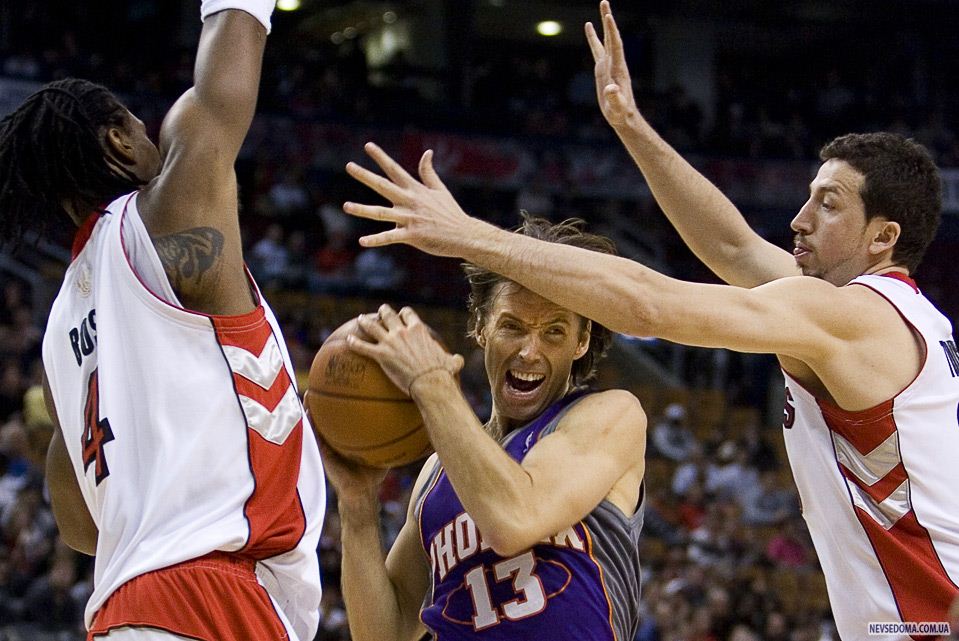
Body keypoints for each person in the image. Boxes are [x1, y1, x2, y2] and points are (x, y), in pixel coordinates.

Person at [340, 2, 959, 636]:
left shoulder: (853, 315)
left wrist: (471, 235)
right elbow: (733, 248)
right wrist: (632, 125)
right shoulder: (889, 320)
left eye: (826, 205)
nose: (799, 220)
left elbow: (649, 304)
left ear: (884, 237)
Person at [0, 2, 325, 640]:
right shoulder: (164, 212)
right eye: (139, 127)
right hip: (209, 598)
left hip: (126, 606)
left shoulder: (60, 329)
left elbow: (77, 522)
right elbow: (222, 87)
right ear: (119, 140)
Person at [314, 216, 647, 641]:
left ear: (582, 342)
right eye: (512, 326)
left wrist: (432, 384)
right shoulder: (437, 474)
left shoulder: (608, 415)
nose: (530, 351)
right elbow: (386, 634)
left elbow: (513, 521)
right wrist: (358, 506)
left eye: (554, 332)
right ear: (481, 328)